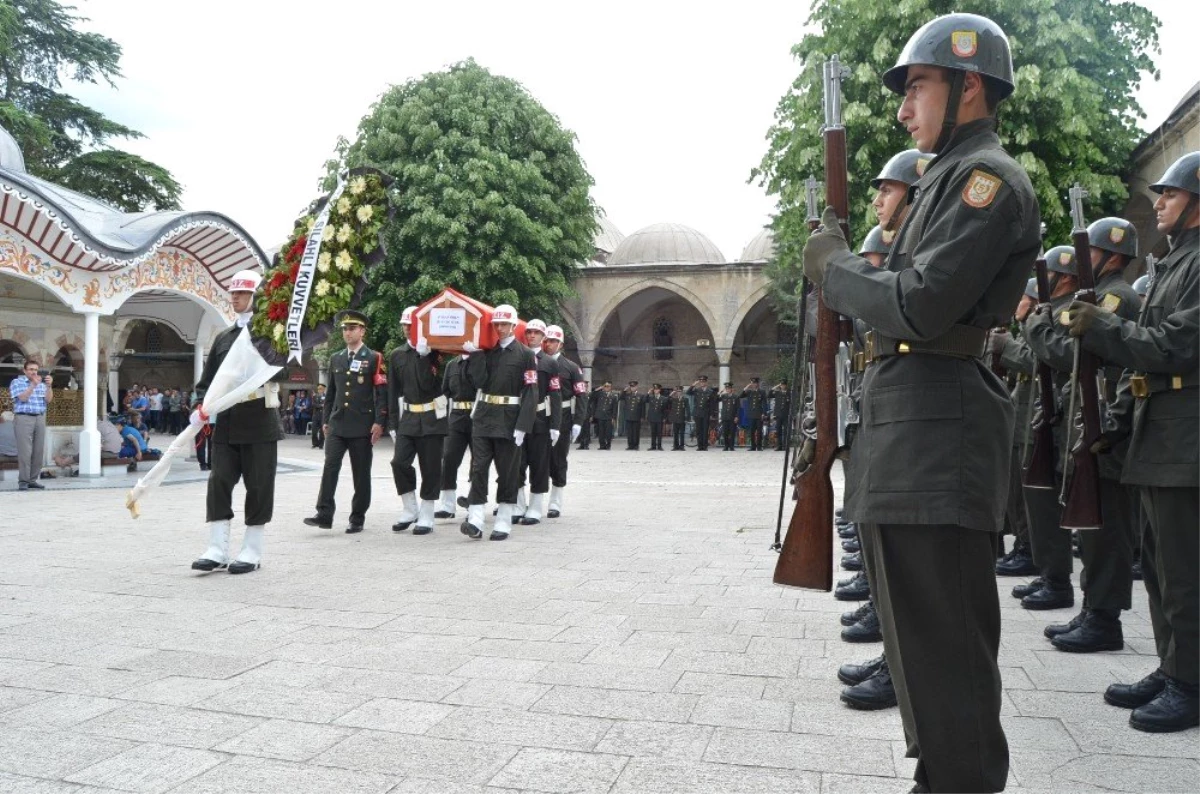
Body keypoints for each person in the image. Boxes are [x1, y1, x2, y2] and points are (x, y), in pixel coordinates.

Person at [802, 13, 1039, 793]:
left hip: (937, 439)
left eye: (919, 87)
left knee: (947, 654)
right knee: (918, 651)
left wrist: (835, 268)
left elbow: (920, 304)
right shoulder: (941, 180)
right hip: (909, 435)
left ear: (970, 86)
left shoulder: (987, 182)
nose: (904, 108)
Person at [1064, 151, 1200, 733]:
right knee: (1165, 567)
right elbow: (1143, 361)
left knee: (1185, 570)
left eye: (1170, 194)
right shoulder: (1174, 263)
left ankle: (1191, 680)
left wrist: (1103, 325)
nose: (1159, 202)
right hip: (1157, 434)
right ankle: (1175, 667)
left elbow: (1173, 345)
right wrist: (1112, 426)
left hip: (1186, 440)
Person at [1025, 219, 1140, 650]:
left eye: (1088, 250)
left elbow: (1073, 354)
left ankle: (1105, 619)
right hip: (1093, 419)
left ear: (1111, 257)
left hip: (1107, 423)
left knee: (1107, 525)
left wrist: (1037, 329)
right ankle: (1095, 609)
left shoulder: (1116, 298)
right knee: (1094, 522)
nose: (1079, 260)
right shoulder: (1099, 296)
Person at [189, 269, 285, 574]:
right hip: (227, 423)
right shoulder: (223, 338)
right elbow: (208, 381)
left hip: (259, 421)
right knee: (218, 483)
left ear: (256, 297)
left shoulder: (270, 335)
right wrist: (198, 404)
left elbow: (281, 371)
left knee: (258, 487)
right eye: (233, 293)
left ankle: (251, 550)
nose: (236, 298)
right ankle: (217, 548)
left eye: (242, 293)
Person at [460, 304, 538, 540]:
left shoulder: (526, 355)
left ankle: (504, 520)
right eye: (496, 324)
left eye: (504, 324)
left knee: (508, 472)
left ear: (514, 325)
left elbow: (531, 392)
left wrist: (523, 426)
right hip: (484, 416)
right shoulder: (487, 351)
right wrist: (473, 356)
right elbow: (479, 382)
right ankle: (475, 519)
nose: (500, 328)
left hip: (509, 419)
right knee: (478, 468)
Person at [305, 311, 387, 534]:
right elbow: (331, 392)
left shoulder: (374, 357)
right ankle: (324, 513)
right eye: (344, 329)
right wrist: (325, 419)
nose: (347, 332)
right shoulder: (336, 358)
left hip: (362, 424)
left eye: (352, 328)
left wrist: (380, 422)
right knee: (330, 467)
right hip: (338, 423)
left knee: (361, 473)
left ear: (362, 331)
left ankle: (357, 517)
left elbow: (381, 393)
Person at [387, 306, 447, 536]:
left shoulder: (436, 352)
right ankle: (410, 508)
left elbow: (429, 384)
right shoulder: (397, 355)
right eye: (404, 325)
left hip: (432, 417)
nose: (406, 329)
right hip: (409, 418)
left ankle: (427, 513)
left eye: (411, 325)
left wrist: (424, 357)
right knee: (399, 463)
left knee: (430, 467)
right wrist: (393, 423)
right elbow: (393, 390)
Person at [515, 319, 561, 524]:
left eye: (536, 333)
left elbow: (556, 395)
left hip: (540, 420)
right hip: (516, 419)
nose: (532, 335)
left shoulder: (550, 363)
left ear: (543, 337)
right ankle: (517, 505)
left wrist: (555, 425)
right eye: (529, 332)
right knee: (516, 464)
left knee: (539, 464)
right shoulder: (517, 358)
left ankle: (534, 507)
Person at [544, 325, 586, 515]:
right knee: (536, 458)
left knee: (558, 459)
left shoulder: (571, 367)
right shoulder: (537, 362)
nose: (549, 344)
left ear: (560, 344)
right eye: (547, 340)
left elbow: (581, 396)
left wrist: (578, 422)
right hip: (541, 416)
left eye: (553, 341)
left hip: (563, 417)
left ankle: (555, 501)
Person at [438, 352, 475, 518]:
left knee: (479, 462)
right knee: (449, 457)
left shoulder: (482, 361)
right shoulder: (452, 365)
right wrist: (438, 420)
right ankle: (448, 505)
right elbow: (444, 393)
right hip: (457, 416)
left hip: (479, 415)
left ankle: (474, 501)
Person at [9, 359, 52, 490]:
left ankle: (33, 480)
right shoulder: (17, 382)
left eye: (35, 370)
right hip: (24, 418)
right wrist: (33, 385)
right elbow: (22, 398)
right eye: (31, 369)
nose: (34, 372)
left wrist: (49, 386)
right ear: (25, 370)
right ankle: (23, 480)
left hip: (39, 417)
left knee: (38, 451)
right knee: (25, 451)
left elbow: (48, 400)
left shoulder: (42, 384)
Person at [686, 375, 716, 450]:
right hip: (697, 413)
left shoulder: (710, 391)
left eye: (703, 381)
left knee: (705, 430)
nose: (702, 383)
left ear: (706, 382)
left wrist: (712, 414)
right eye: (701, 382)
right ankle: (700, 446)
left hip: (706, 413)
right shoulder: (697, 390)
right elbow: (688, 392)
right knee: (698, 430)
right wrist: (693, 385)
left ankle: (705, 446)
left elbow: (712, 404)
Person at [740, 378, 767, 450]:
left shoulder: (762, 392)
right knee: (751, 431)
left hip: (759, 414)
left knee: (759, 431)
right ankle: (753, 446)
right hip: (751, 414)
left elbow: (764, 403)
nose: (754, 384)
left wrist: (764, 413)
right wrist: (746, 387)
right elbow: (741, 396)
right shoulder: (749, 392)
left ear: (758, 384)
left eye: (755, 383)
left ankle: (759, 446)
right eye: (752, 383)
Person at [620, 381, 646, 450]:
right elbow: (620, 397)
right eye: (631, 387)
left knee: (636, 432)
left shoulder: (641, 395)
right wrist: (624, 391)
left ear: (637, 387)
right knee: (629, 432)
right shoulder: (627, 395)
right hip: (629, 416)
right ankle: (630, 445)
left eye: (634, 387)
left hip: (637, 416)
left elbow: (643, 406)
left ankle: (636, 445)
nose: (632, 388)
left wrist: (642, 416)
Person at [592, 381, 618, 450]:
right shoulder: (600, 394)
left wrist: (614, 418)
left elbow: (615, 408)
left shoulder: (613, 396)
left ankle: (608, 445)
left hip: (608, 416)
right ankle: (602, 445)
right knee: (601, 432)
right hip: (600, 416)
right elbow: (592, 396)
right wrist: (598, 389)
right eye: (605, 386)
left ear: (611, 387)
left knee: (608, 432)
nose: (607, 388)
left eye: (608, 386)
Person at [644, 384, 668, 451]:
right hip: (652, 417)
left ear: (659, 390)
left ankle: (659, 446)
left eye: (657, 389)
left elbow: (665, 410)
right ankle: (653, 446)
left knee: (659, 433)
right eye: (654, 389)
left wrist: (664, 418)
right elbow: (644, 400)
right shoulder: (651, 397)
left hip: (660, 417)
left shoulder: (664, 398)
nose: (655, 391)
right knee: (653, 432)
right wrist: (648, 392)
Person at [769, 380, 791, 451]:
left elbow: (792, 404)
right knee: (778, 431)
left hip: (786, 414)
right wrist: (777, 385)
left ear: (786, 385)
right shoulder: (777, 393)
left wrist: (791, 414)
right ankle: (779, 446)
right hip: (778, 415)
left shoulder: (789, 393)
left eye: (784, 385)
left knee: (786, 431)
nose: (782, 386)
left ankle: (785, 446)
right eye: (781, 385)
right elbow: (769, 394)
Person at [666, 385, 689, 450]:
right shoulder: (674, 399)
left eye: (680, 391)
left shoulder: (685, 399)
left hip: (682, 418)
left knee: (682, 433)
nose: (679, 392)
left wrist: (688, 418)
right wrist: (671, 393)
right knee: (675, 433)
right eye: (678, 391)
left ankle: (682, 446)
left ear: (682, 392)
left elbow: (688, 409)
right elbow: (666, 400)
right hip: (675, 418)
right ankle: (675, 446)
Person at [717, 382, 739, 451]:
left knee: (732, 432)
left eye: (729, 388)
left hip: (732, 417)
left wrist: (737, 416)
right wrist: (719, 393)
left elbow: (738, 407)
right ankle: (726, 446)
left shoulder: (736, 397)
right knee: (725, 432)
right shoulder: (723, 396)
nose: (727, 389)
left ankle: (731, 446)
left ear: (731, 389)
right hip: (725, 417)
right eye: (726, 388)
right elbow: (716, 400)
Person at [311, 384, 326, 449]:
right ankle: (315, 443)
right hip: (315, 415)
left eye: (321, 389)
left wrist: (322, 405)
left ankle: (321, 444)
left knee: (322, 432)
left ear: (323, 389)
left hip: (323, 415)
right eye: (318, 389)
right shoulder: (315, 396)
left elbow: (326, 405)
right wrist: (321, 405)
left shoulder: (326, 396)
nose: (319, 390)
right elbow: (313, 404)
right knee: (314, 431)